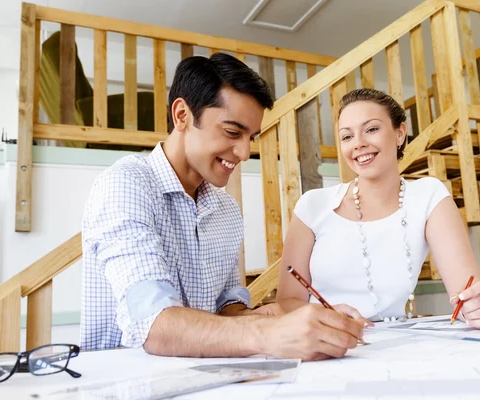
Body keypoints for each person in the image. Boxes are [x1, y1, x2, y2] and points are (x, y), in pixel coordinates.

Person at [80, 53, 364, 361]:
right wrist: (270, 334)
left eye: (251, 137)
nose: (244, 152)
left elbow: (226, 310)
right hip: (124, 382)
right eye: (232, 132)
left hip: (201, 377)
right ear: (182, 116)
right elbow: (154, 325)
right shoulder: (125, 185)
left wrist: (290, 320)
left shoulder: (226, 210)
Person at [276, 88, 480, 329]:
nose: (359, 144)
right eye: (347, 137)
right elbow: (288, 301)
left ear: (400, 134)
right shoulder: (313, 205)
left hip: (396, 344)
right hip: (324, 340)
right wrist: (323, 313)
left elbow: (466, 292)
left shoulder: (428, 196)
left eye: (371, 129)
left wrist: (479, 308)